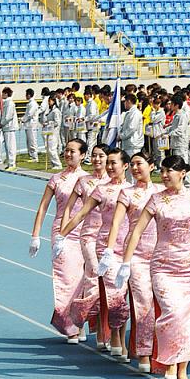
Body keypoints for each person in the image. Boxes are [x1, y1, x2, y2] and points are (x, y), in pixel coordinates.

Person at [116, 155, 190, 379]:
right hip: (162, 266)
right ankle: (169, 363)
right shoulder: (155, 200)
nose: (165, 175)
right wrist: (125, 263)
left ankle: (182, 371)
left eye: (170, 170)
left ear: (184, 172)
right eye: (163, 170)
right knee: (172, 313)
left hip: (188, 266)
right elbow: (136, 231)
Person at [57, 148, 131, 360]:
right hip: (105, 246)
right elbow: (80, 213)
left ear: (124, 165)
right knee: (114, 291)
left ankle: (112, 331)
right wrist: (62, 235)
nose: (108, 166)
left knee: (122, 293)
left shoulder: (132, 190)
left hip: (128, 247)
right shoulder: (100, 190)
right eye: (107, 162)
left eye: (113, 162)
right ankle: (112, 336)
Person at [100, 151, 165, 372]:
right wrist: (109, 252)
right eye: (134, 165)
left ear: (152, 166)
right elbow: (116, 224)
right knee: (143, 303)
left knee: (164, 306)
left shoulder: (161, 192)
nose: (136, 168)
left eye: (140, 164)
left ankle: (164, 353)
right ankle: (144, 354)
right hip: (135, 256)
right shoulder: (127, 194)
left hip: (161, 256)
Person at [29, 139, 90, 342]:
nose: (68, 154)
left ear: (82, 155)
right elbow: (43, 207)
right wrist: (35, 236)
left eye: (73, 151)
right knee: (66, 278)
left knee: (83, 280)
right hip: (61, 233)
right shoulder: (56, 179)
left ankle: (79, 324)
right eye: (66, 150)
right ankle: (68, 326)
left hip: (84, 232)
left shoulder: (89, 179)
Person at [60, 143, 110, 348]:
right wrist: (61, 235)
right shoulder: (84, 182)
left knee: (108, 286)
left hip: (110, 239)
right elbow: (71, 210)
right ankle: (77, 321)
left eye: (102, 156)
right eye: (95, 156)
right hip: (89, 237)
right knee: (93, 282)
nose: (97, 160)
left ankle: (102, 333)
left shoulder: (116, 184)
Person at [0, 87, 19, 171]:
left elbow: (8, 116)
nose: (2, 95)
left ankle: (12, 164)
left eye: (3, 93)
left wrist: (2, 123)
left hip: (9, 127)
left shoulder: (10, 103)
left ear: (6, 94)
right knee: (7, 146)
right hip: (6, 128)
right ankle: (9, 163)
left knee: (11, 146)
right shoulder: (6, 102)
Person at [42, 96, 63, 169]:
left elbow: (57, 122)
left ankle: (58, 164)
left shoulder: (56, 111)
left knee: (52, 148)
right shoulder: (50, 110)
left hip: (54, 132)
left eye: (50, 101)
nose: (48, 102)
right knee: (48, 148)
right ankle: (53, 163)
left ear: (53, 101)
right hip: (49, 131)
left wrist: (49, 123)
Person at [21, 88, 39, 163]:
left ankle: (35, 157)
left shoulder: (33, 104)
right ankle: (32, 156)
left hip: (32, 125)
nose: (25, 96)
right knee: (29, 141)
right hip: (28, 125)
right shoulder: (29, 103)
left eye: (26, 94)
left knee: (32, 141)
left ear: (29, 95)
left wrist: (23, 119)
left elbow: (30, 114)